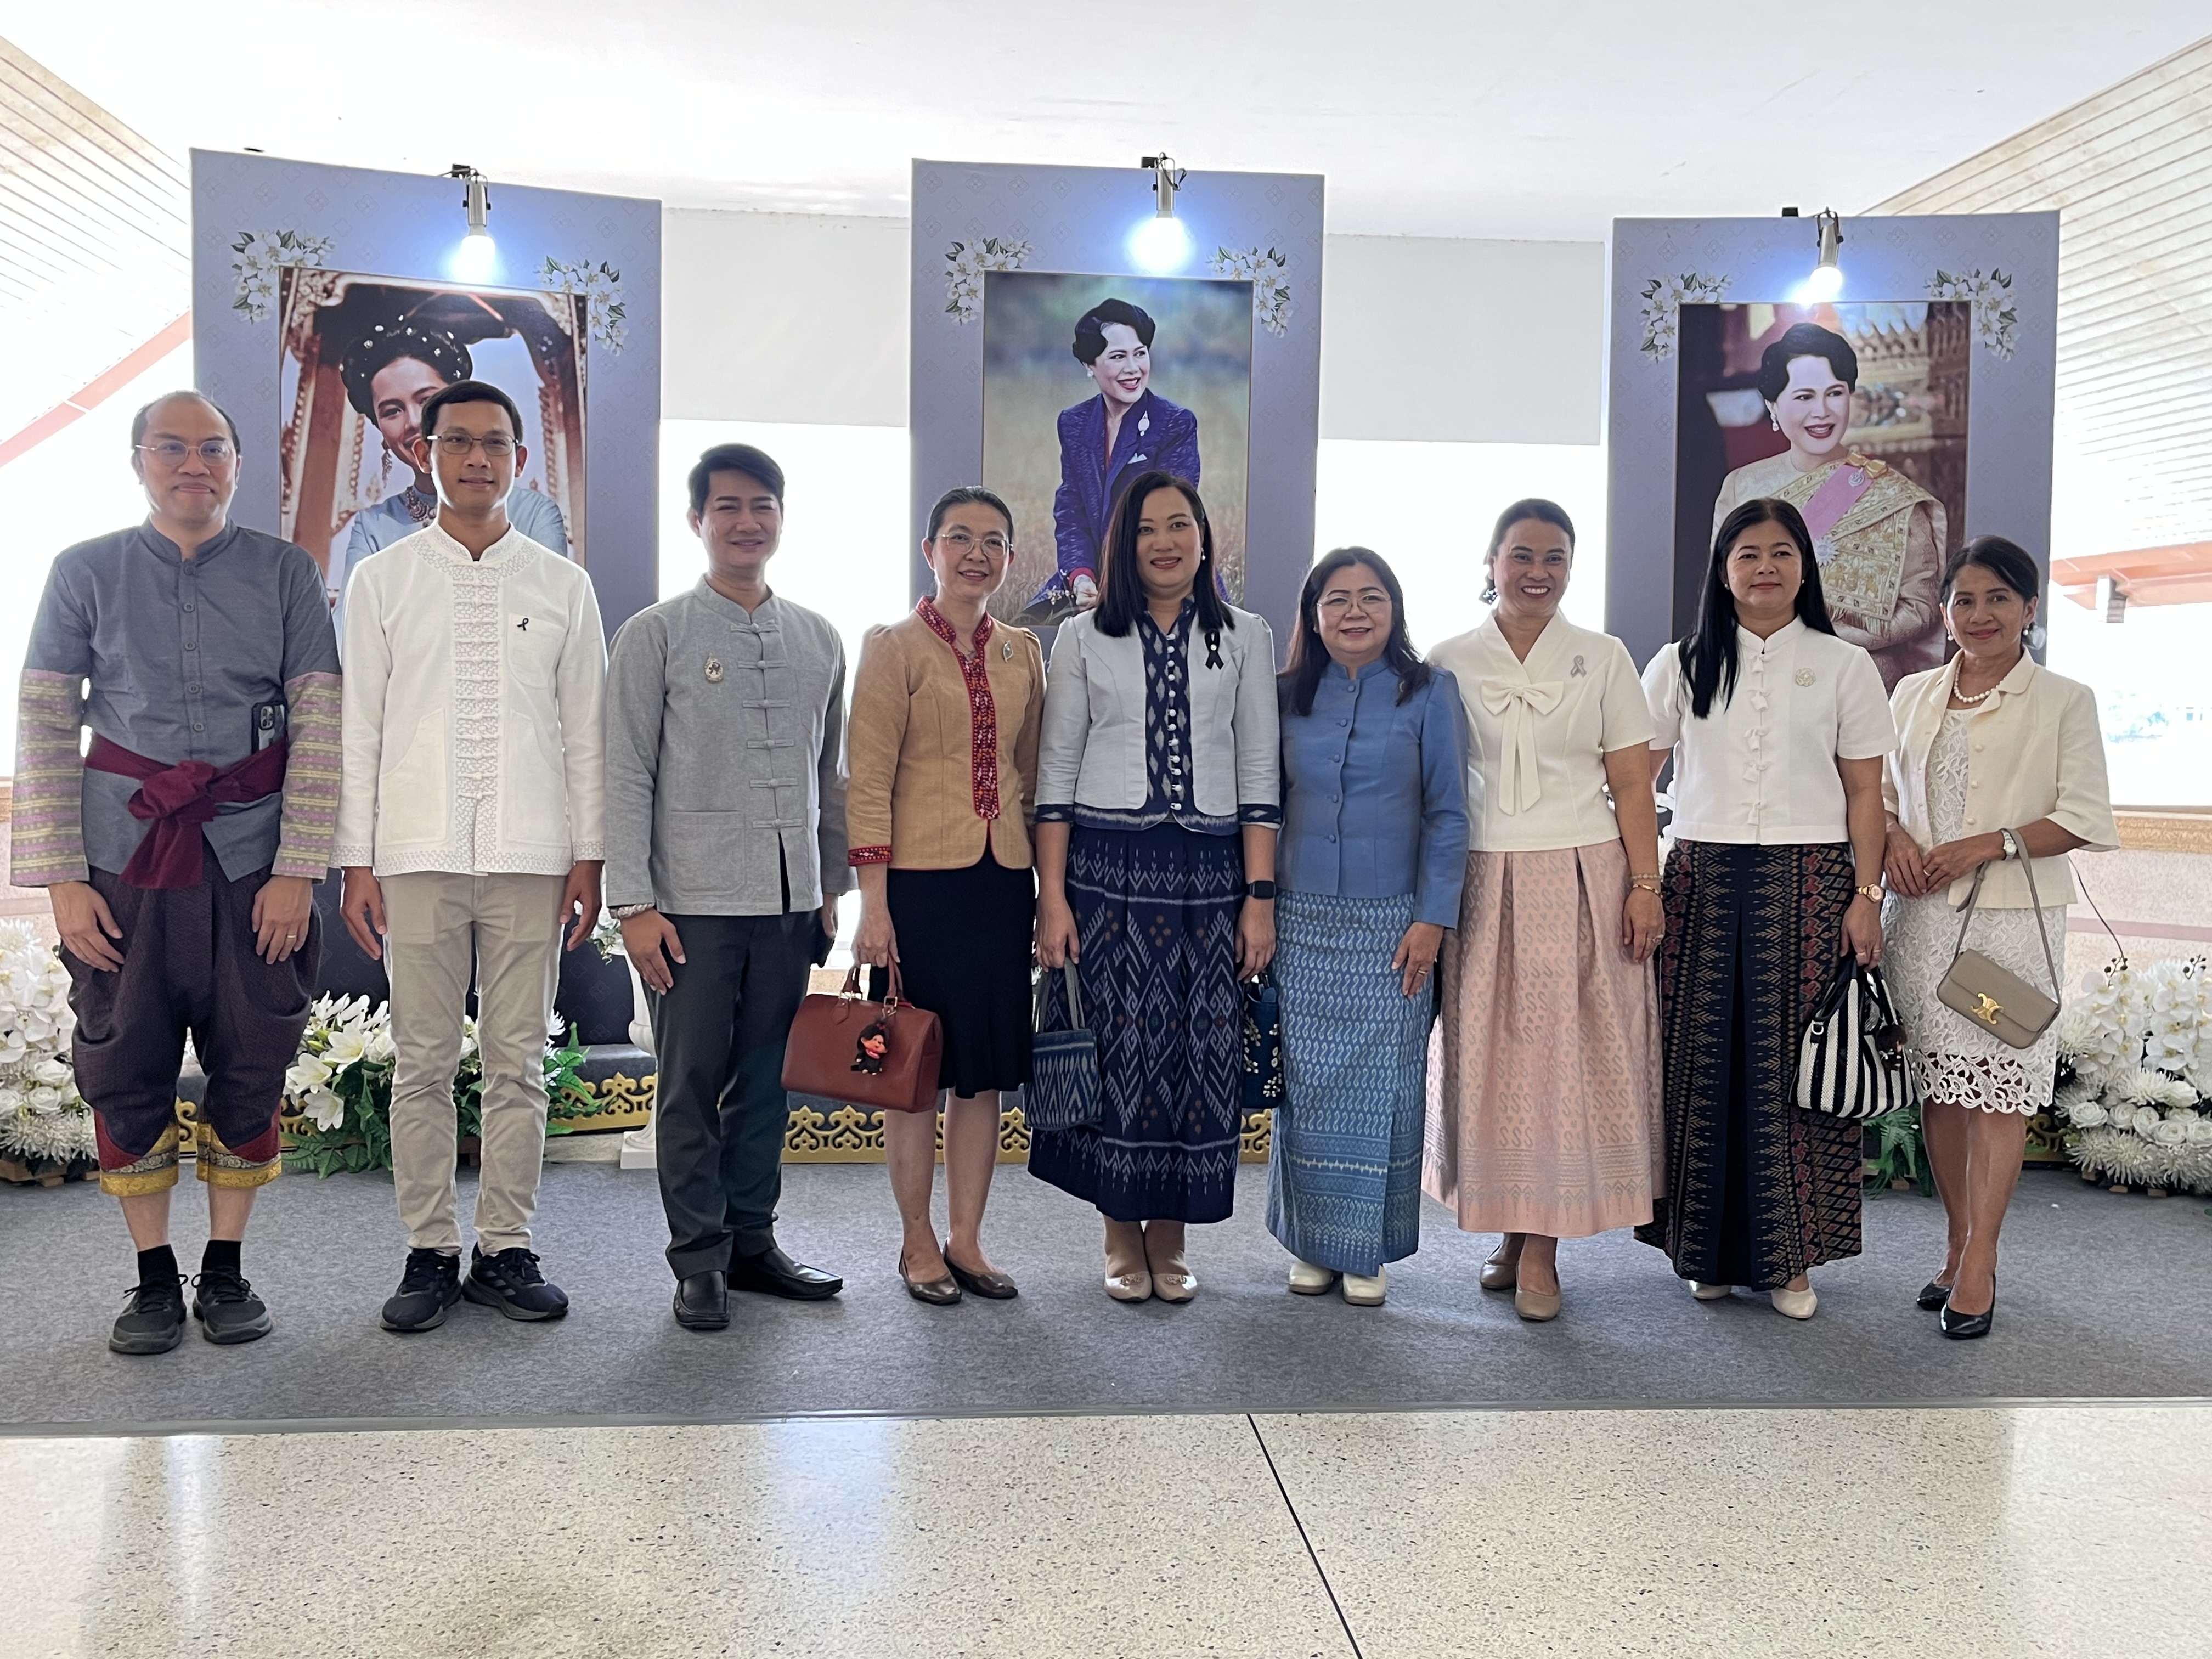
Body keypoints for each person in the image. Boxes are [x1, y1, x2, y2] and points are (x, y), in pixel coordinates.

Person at [13, 391, 342, 1355]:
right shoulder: (83, 571)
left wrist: (299, 867)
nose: (193, 464)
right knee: (124, 1058)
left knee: (254, 1053)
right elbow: (43, 719)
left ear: (239, 463)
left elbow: (320, 719)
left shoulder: (287, 572)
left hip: (255, 860)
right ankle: (155, 1276)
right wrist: (63, 879)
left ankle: (227, 1268)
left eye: (212, 448)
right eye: (171, 447)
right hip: (122, 860)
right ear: (138, 461)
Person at [336, 379, 606, 1334]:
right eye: (458, 441)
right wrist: (355, 861)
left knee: (519, 1061)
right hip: (415, 854)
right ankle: (429, 1248)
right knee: (419, 1061)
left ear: (521, 461)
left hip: (533, 856)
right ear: (426, 454)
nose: (477, 458)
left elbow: (586, 732)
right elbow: (360, 727)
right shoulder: (383, 580)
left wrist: (589, 856)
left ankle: (505, 1246)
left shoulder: (564, 585)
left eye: (495, 443)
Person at [603, 443, 850, 1331]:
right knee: (689, 1085)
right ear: (697, 521)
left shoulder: (819, 637)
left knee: (767, 1083)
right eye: (728, 507)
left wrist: (830, 887)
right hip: (689, 908)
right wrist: (633, 905)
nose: (747, 521)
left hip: (790, 906)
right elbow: (623, 772)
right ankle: (697, 1258)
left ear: (781, 517)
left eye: (762, 506)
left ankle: (752, 1242)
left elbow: (829, 775)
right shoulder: (655, 634)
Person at [1638, 498, 1897, 1319]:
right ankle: (1703, 1251)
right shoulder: (1680, 663)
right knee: (1701, 1065)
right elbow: (1634, 781)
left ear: (1804, 567)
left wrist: (1867, 896)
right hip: (1701, 879)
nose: (1765, 568)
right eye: (1747, 554)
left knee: (1795, 1071)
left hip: (1813, 883)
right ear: (1723, 571)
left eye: (1782, 552)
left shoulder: (1845, 664)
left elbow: (1866, 795)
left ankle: (1791, 1261)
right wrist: (1640, 881)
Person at [1031, 471, 1279, 1303]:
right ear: (1124, 545)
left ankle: (1170, 1237)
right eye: (1146, 529)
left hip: (1211, 875)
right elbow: (1057, 772)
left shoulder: (1245, 635)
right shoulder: (1081, 638)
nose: (1164, 542)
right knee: (1116, 1050)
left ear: (1204, 538)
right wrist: (1052, 897)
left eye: (1180, 525)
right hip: (1105, 873)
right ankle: (1118, 1235)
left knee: (1197, 1052)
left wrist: (1259, 897)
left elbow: (1259, 771)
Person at [1423, 500, 1666, 1323]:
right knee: (1493, 1063)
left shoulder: (1603, 656)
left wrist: (1645, 884)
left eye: (1555, 557)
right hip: (1482, 877)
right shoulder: (1448, 659)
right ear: (1491, 561)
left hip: (1582, 875)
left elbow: (1632, 782)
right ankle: (1510, 1226)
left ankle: (1543, 1249)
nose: (1538, 571)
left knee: (1564, 1063)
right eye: (1521, 554)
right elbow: (1433, 783)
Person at [1882, 536, 2116, 1340]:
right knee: (1943, 1089)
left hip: (2008, 929)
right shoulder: (1912, 692)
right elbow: (1880, 794)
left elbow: (2083, 815)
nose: (1980, 615)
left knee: (1997, 1087)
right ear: (1945, 612)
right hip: (1919, 922)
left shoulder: (2064, 700)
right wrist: (1894, 839)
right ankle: (1955, 1243)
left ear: (2029, 609)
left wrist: (1991, 843)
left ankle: (1982, 1258)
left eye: (1998, 599)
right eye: (1965, 601)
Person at [848, 486, 1046, 1305]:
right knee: (915, 1073)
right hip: (918, 893)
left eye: (993, 541)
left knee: (982, 1074)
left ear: (1009, 558)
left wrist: (1046, 893)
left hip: (1001, 886)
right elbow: (867, 784)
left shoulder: (1024, 652)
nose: (976, 554)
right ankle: (917, 1239)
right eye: (960, 537)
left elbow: (1032, 777)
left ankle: (967, 1237)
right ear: (929, 550)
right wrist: (874, 906)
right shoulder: (893, 647)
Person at [1267, 548, 1465, 1307]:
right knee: (1308, 1087)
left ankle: (1366, 1252)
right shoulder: (1284, 695)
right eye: (1337, 599)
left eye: (1371, 597)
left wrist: (1433, 920)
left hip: (1394, 925)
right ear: (1314, 616)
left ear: (1394, 608)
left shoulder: (1430, 692)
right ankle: (1312, 1245)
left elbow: (1449, 814)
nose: (1354, 612)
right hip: (1300, 918)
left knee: (1387, 1086)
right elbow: (1264, 804)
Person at [1710, 321, 1945, 690]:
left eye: (1835, 393)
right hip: (1760, 672)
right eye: (1804, 397)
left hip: (1859, 677)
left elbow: (1922, 606)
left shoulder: (1891, 494)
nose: (1822, 412)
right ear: (1773, 405)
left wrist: (1827, 636)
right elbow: (1721, 586)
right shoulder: (1744, 486)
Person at [331, 319, 569, 597]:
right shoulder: (375, 527)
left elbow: (546, 613)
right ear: (380, 430)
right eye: (392, 411)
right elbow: (351, 621)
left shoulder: (533, 514)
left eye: (426, 400)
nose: (414, 421)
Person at [1029, 298, 1201, 620]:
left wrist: (1114, 584)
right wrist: (1081, 577)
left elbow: (1169, 519)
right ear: (1089, 365)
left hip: (1158, 576)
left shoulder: (1175, 423)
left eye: (1140, 353)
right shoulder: (1074, 422)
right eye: (1118, 357)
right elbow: (1071, 512)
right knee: (1030, 625)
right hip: (1090, 575)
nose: (1133, 368)